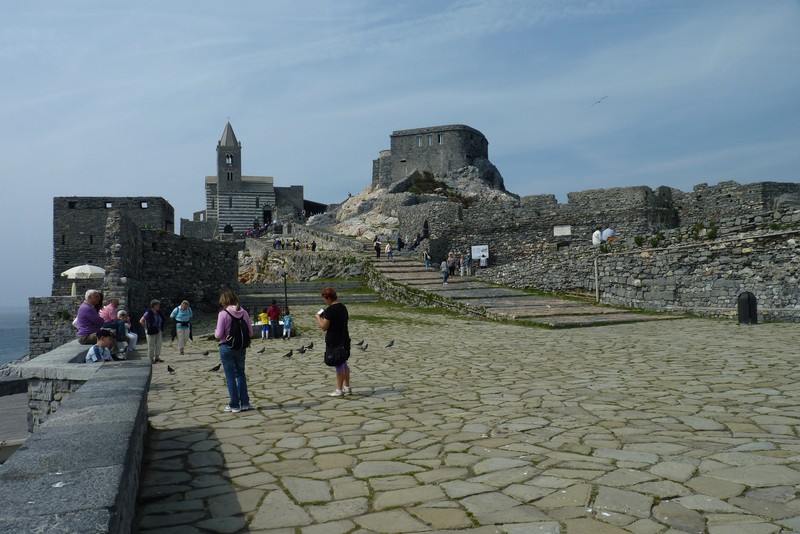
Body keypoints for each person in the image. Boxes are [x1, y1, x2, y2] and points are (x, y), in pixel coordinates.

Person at [214, 289, 254, 413]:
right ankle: (245, 403)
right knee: (241, 374)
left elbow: (219, 334)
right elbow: (251, 333)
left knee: (230, 376)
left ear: (224, 302)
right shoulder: (244, 313)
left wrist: (215, 333)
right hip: (241, 348)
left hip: (227, 347)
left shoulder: (223, 314)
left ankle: (234, 404)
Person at [315, 287, 351, 397]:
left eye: (325, 299)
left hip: (334, 340)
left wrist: (318, 318)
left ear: (329, 298)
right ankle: (347, 387)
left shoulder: (330, 310)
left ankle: (339, 390)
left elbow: (324, 326)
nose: (324, 302)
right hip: (344, 338)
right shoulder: (343, 307)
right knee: (343, 362)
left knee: (339, 364)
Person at [140, 299, 165, 364]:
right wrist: (146, 327)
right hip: (150, 330)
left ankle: (157, 357)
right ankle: (151, 358)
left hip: (158, 329)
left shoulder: (159, 312)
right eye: (157, 305)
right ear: (154, 305)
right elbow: (141, 321)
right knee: (151, 345)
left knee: (159, 343)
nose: (159, 306)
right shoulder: (148, 312)